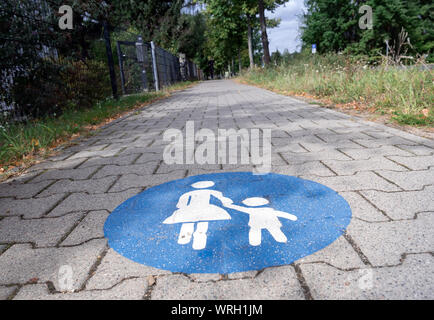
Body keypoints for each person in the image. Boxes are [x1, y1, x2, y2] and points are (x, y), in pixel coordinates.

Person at [163, 181, 233, 250]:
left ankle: (183, 237)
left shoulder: (188, 193)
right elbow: (222, 199)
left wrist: (182, 208)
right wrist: (226, 202)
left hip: (190, 209)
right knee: (204, 221)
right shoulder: (213, 192)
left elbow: (181, 204)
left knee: (187, 222)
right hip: (206, 208)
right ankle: (199, 240)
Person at [225, 197, 297, 246]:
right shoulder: (269, 209)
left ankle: (254, 242)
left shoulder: (251, 210)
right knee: (274, 230)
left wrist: (230, 206)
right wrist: (292, 217)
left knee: (256, 230)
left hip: (257, 223)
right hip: (270, 222)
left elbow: (241, 208)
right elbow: (279, 213)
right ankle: (281, 239)